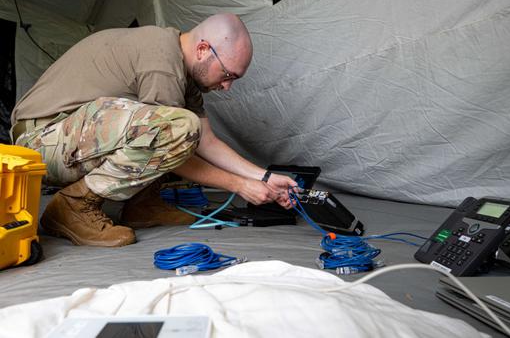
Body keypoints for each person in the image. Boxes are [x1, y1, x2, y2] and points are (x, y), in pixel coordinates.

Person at [10, 13, 297, 247]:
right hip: (37, 145)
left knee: (180, 126)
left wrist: (265, 176)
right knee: (177, 127)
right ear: (202, 50)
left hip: (70, 137)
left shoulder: (185, 73)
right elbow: (176, 140)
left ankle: (141, 206)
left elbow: (206, 142)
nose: (226, 87)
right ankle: (73, 205)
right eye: (227, 75)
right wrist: (239, 185)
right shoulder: (162, 61)